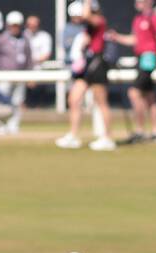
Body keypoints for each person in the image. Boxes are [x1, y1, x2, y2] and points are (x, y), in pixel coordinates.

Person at [56, 0, 115, 151]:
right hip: (87, 65)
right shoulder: (87, 28)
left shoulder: (99, 21)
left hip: (98, 63)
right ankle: (73, 135)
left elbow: (87, 15)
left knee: (101, 101)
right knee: (74, 98)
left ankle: (107, 138)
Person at [109, 0, 156, 140]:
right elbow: (135, 40)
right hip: (140, 58)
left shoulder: (154, 18)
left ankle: (140, 130)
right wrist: (117, 37)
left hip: (149, 59)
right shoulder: (138, 19)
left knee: (134, 93)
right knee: (149, 96)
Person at [0, 10, 32, 133]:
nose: (15, 28)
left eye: (17, 25)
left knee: (17, 101)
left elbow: (29, 57)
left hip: (20, 75)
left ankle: (13, 125)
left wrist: (30, 74)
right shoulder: (1, 39)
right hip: (4, 75)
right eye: (13, 25)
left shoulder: (25, 39)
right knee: (1, 100)